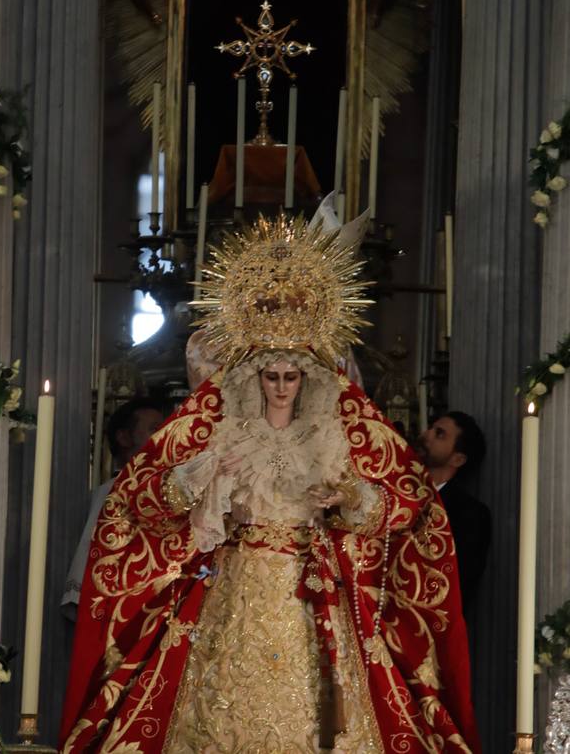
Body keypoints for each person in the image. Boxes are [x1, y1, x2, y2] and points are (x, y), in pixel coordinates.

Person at [59, 215, 480, 753]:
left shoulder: (338, 432)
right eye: (270, 376)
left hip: (313, 589)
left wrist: (349, 498)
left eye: (292, 376)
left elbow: (406, 507)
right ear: (251, 375)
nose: (281, 388)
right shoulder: (218, 425)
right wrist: (206, 488)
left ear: (309, 378)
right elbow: (141, 498)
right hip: (235, 584)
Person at [60, 397, 163, 619]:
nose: (164, 436)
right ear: (124, 438)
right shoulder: (112, 492)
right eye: (155, 429)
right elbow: (93, 552)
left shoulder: (165, 490)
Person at [419, 411, 491, 611]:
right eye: (431, 428)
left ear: (458, 459)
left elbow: (459, 585)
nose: (426, 435)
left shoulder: (471, 515)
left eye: (439, 434)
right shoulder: (399, 491)